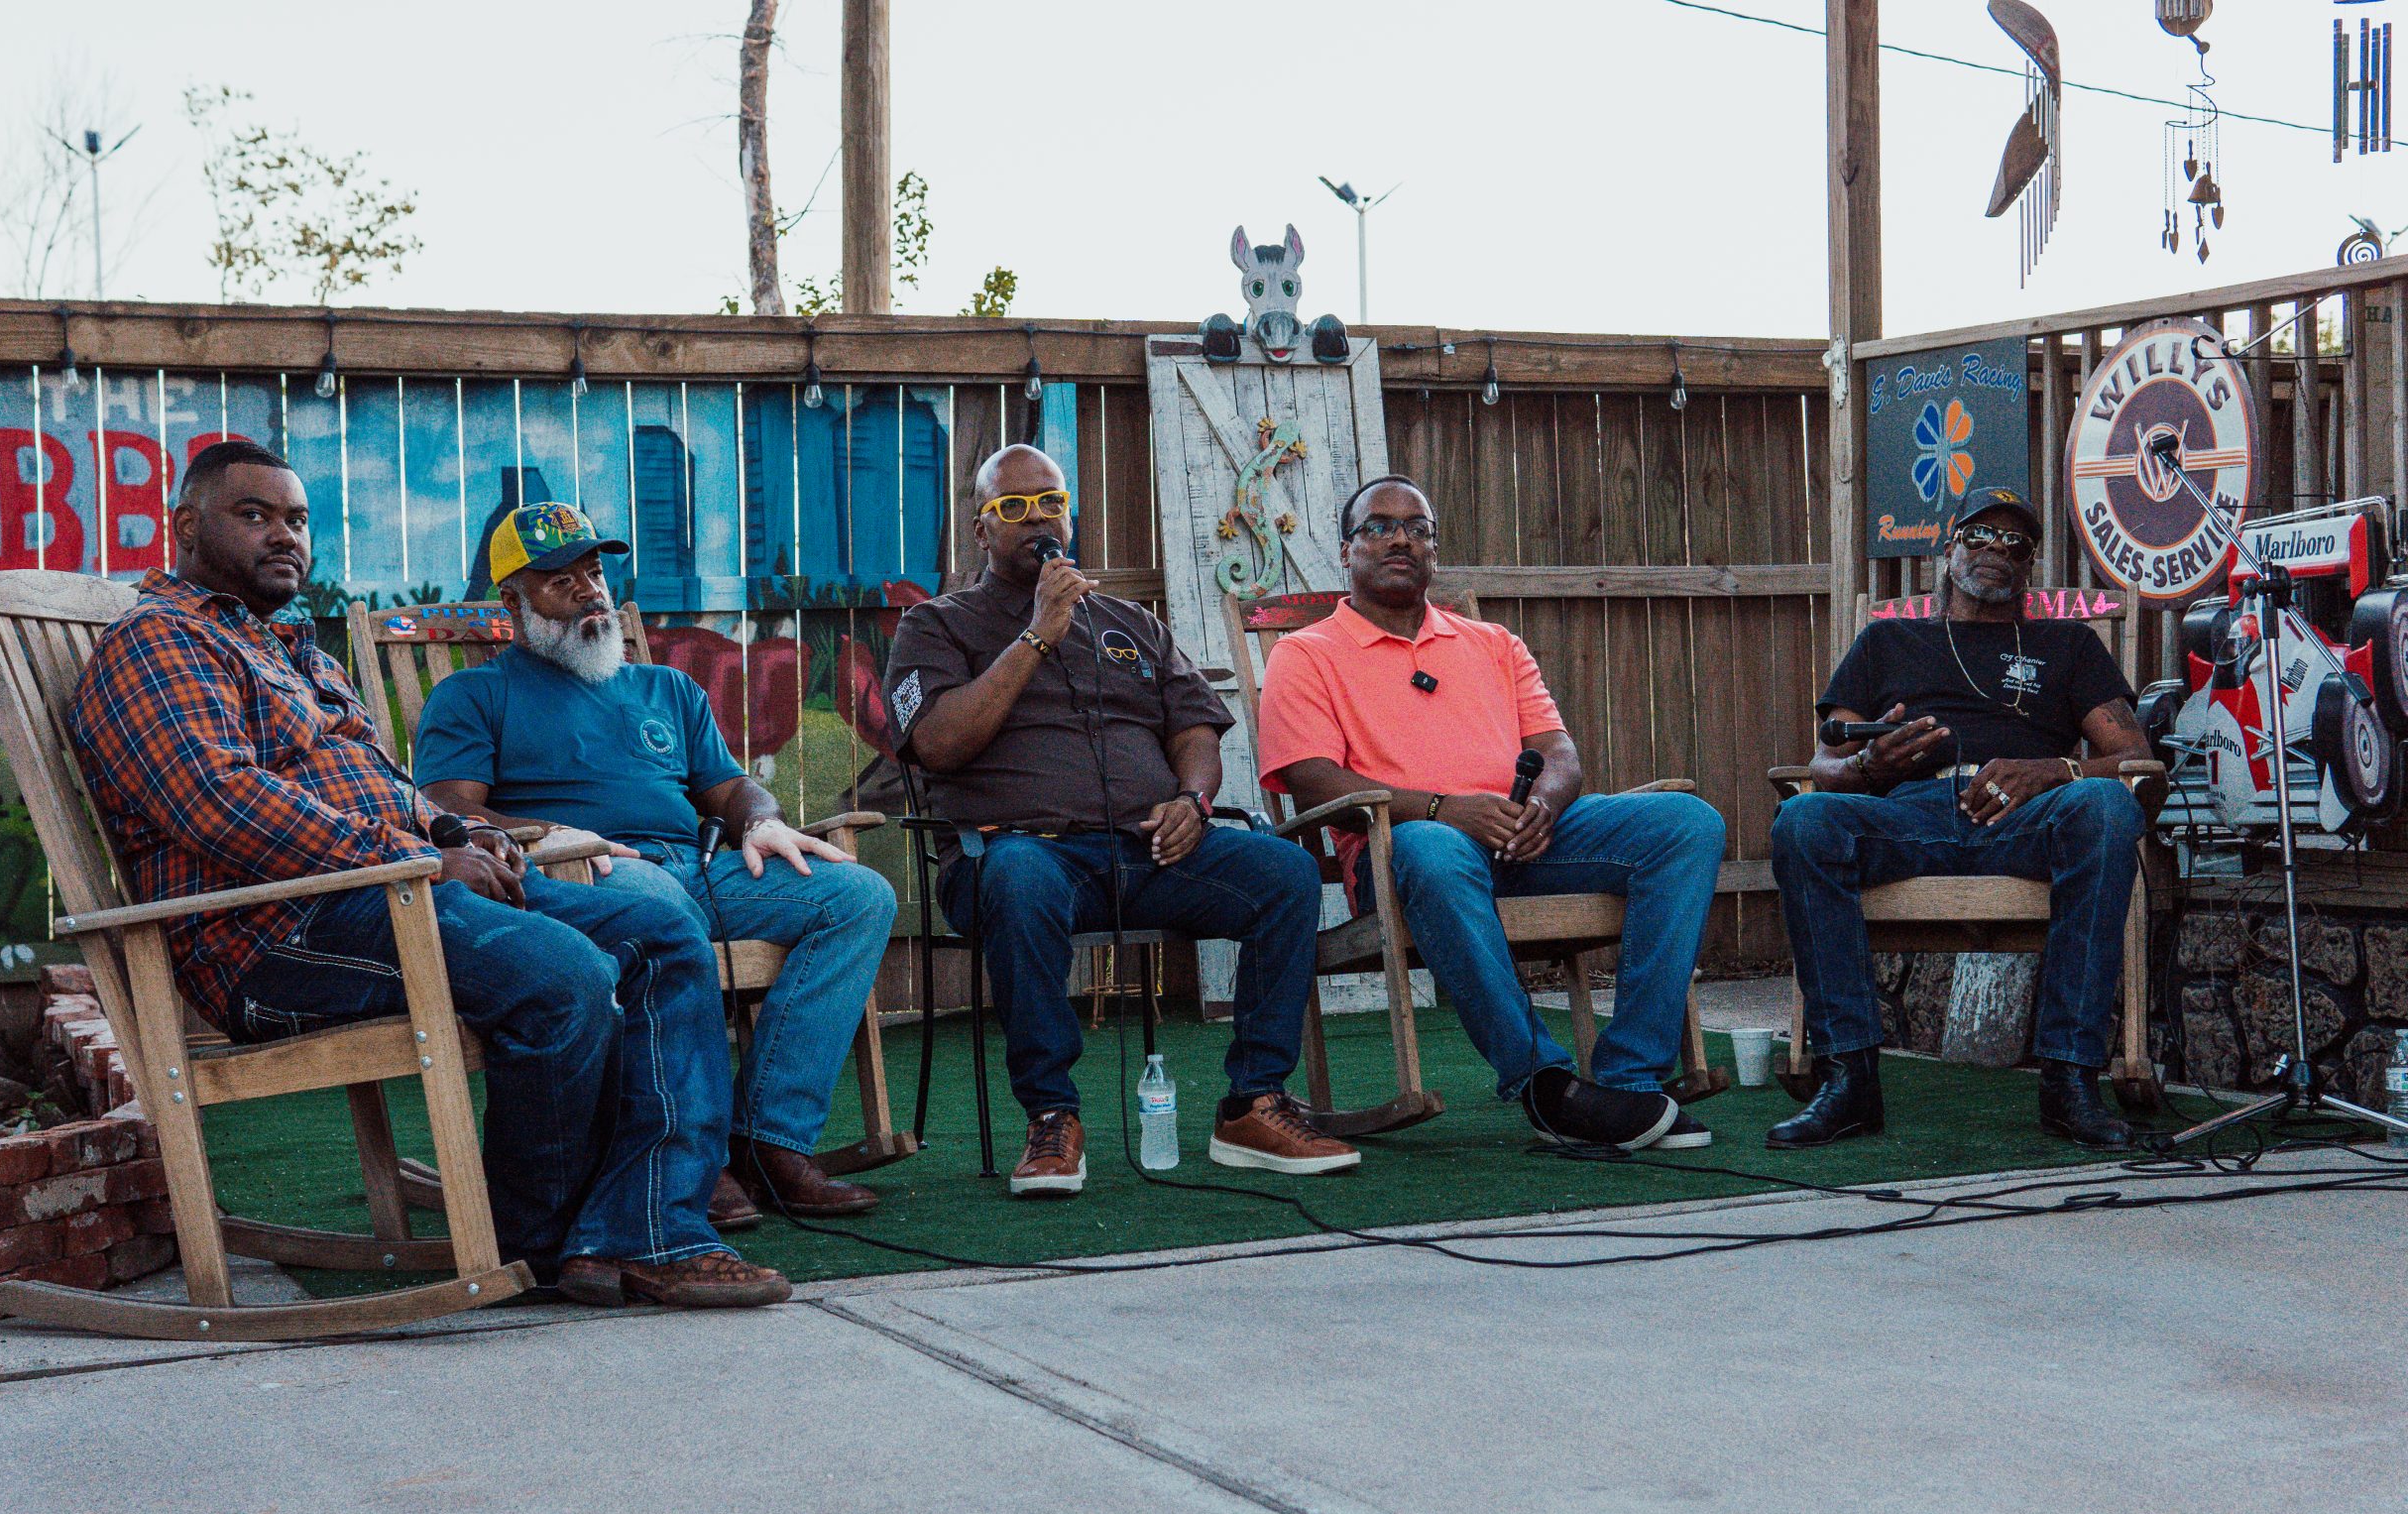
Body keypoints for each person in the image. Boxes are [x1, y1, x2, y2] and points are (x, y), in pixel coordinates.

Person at [66, 441, 787, 1309]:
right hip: (272, 934)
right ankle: (540, 1243)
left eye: (297, 519)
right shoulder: (157, 641)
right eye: (254, 515)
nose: (285, 535)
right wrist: (414, 857)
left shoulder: (293, 651)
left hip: (382, 893)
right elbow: (217, 803)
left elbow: (390, 787)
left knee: (662, 931)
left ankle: (644, 1226)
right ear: (187, 526)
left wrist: (457, 832)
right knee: (563, 972)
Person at [885, 444, 1355, 1196]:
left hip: (1150, 851)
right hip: (1018, 855)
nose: (1038, 518)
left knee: (1286, 873)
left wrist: (1193, 802)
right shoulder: (937, 625)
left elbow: (1195, 728)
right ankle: (1052, 1116)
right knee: (1019, 877)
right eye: (1013, 507)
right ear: (981, 529)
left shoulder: (1130, 622)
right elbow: (938, 743)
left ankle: (1252, 1103)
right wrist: (1038, 632)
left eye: (1051, 502)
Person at [414, 501, 899, 1228]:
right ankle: (690, 1157)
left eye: (593, 572)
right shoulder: (474, 695)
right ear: (512, 601)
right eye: (561, 581)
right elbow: (449, 810)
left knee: (858, 897)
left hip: (695, 867)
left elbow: (730, 787)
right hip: (587, 875)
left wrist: (762, 821)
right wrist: (559, 836)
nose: (589, 591)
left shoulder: (667, 689)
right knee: (658, 908)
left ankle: (769, 1140)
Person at [1257, 475, 1728, 1152]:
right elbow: (1312, 781)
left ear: (1434, 550)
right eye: (1378, 526)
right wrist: (1446, 808)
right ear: (1345, 550)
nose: (1400, 539)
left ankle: (1629, 1079)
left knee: (1687, 823)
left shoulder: (1493, 643)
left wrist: (1543, 804)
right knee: (1432, 846)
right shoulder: (1306, 653)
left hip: (1523, 841)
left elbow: (1557, 752)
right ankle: (1544, 1082)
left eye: (1417, 529)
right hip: (1403, 856)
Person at [1769, 486, 2151, 1152]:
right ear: (1949, 550)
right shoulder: (1888, 640)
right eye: (1980, 535)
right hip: (1909, 815)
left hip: (2025, 817)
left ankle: (2070, 1081)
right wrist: (1871, 764)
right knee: (1803, 822)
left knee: (2108, 804)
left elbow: (2136, 760)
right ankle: (1849, 1079)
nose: (1997, 550)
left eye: (2016, 543)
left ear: (2029, 565)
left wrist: (2053, 769)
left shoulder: (2066, 644)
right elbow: (1826, 764)